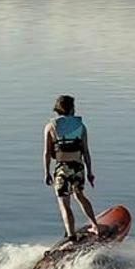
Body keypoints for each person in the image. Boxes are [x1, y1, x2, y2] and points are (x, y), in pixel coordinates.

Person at [44, 94, 100, 242]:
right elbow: (86, 152)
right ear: (71, 109)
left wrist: (47, 173)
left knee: (64, 203)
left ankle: (71, 236)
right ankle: (95, 225)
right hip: (78, 168)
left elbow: (47, 153)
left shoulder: (50, 127)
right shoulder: (81, 127)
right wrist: (90, 173)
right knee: (80, 196)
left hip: (62, 169)